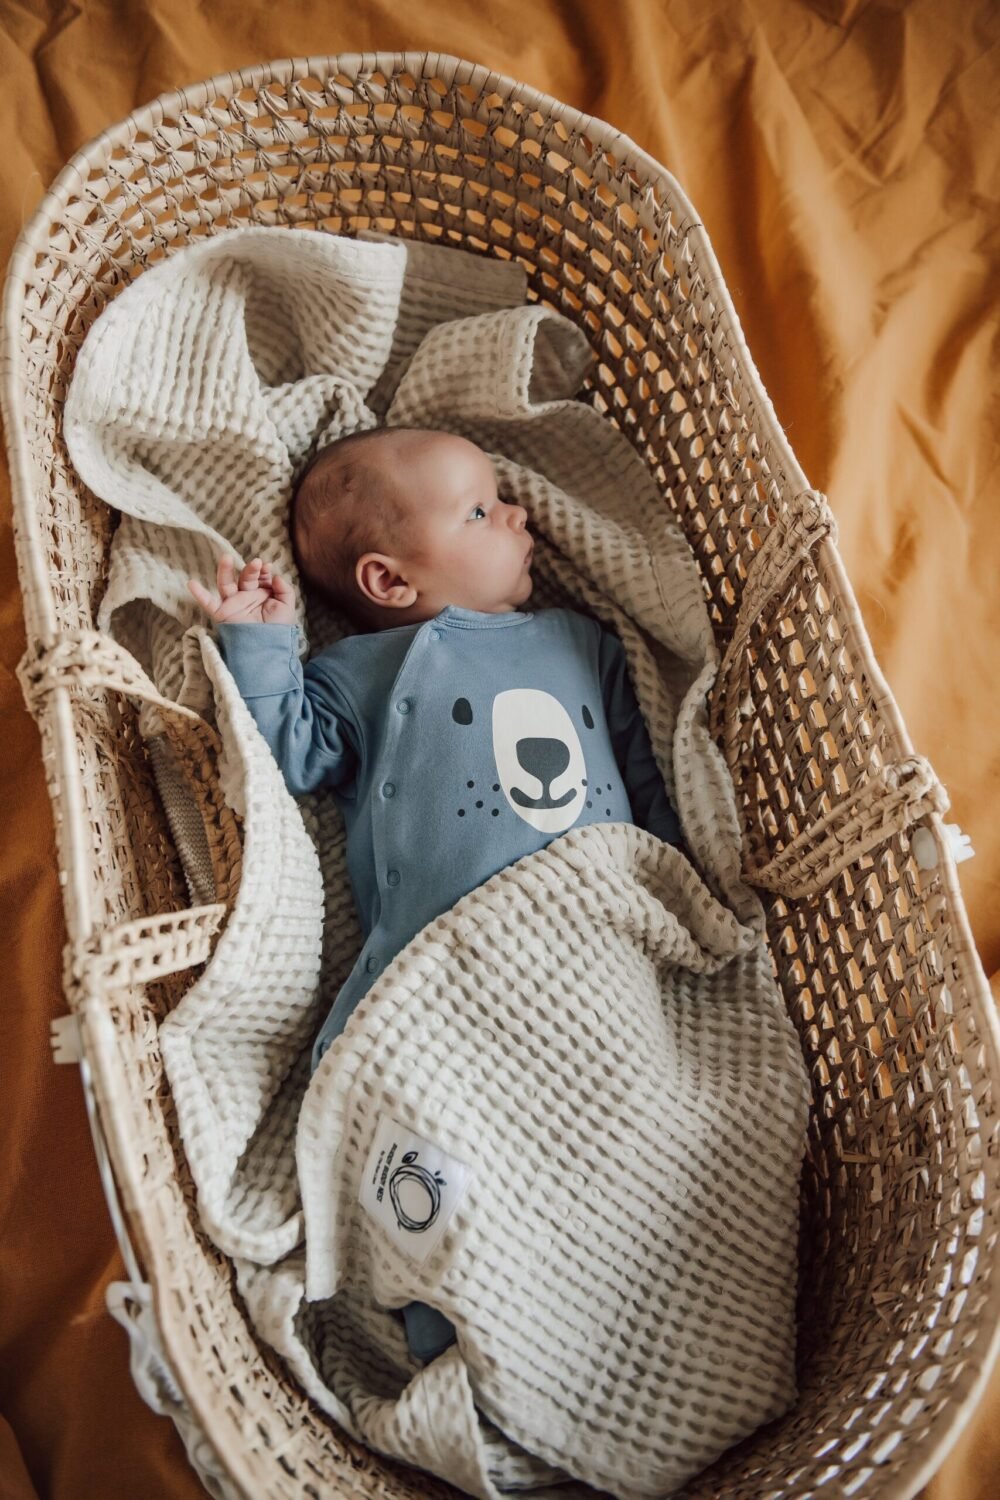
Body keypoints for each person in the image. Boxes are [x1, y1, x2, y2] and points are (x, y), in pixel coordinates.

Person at [187, 425, 682, 1364]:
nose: (519, 513)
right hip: (441, 970)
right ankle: (454, 1298)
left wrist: (676, 887)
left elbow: (645, 781)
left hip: (593, 938)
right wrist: (259, 641)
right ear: (389, 582)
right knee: (432, 1126)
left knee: (630, 1108)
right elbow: (290, 752)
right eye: (483, 510)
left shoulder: (582, 642)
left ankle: (618, 1275)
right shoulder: (359, 674)